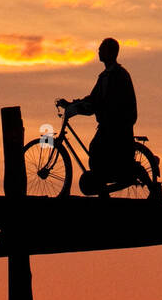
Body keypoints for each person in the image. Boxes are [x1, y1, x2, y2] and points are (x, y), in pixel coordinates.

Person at [57, 38, 137, 192]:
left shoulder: (119, 75)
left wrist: (82, 106)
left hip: (117, 123)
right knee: (97, 150)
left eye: (102, 49)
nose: (98, 51)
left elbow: (103, 101)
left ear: (110, 53)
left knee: (96, 148)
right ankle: (101, 185)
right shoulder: (105, 76)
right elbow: (94, 98)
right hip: (110, 122)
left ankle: (103, 185)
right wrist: (74, 104)